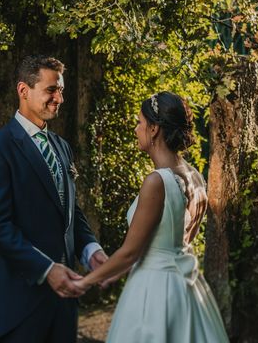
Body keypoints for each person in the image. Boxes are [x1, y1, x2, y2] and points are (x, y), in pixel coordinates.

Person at [73, 91, 230, 342]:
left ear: (154, 129)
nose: (136, 129)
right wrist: (114, 272)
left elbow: (130, 252)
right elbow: (172, 242)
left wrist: (85, 282)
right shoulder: (194, 176)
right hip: (187, 289)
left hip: (156, 292)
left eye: (139, 123)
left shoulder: (157, 182)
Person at [0, 55, 107, 343]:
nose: (59, 98)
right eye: (51, 90)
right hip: (19, 303)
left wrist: (91, 250)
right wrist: (46, 270)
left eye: (61, 90)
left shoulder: (62, 147)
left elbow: (69, 210)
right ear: (24, 90)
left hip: (64, 303)